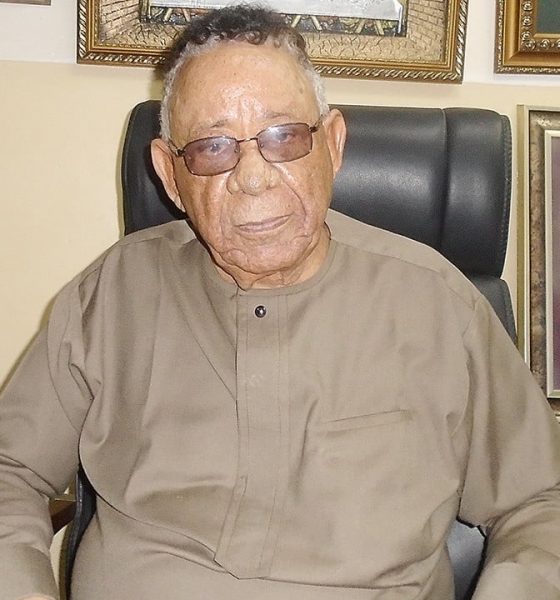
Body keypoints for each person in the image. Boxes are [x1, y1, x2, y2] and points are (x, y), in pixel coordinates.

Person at [1, 5, 560, 600]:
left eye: (284, 137)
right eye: (213, 147)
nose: (253, 177)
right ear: (169, 173)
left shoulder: (438, 304)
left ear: (333, 144)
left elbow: (538, 503)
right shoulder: (115, 293)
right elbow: (10, 470)